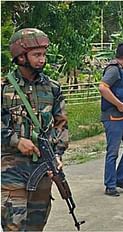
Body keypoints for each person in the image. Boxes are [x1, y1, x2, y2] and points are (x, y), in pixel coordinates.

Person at [1, 28, 68, 230]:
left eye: (43, 54)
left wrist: (57, 154)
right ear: (21, 57)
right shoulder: (4, 88)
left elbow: (61, 124)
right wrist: (16, 141)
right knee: (15, 224)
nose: (42, 60)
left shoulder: (53, 88)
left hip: (42, 169)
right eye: (36, 55)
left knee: (36, 225)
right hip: (12, 168)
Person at [99, 43, 123, 197]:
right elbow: (102, 87)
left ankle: (120, 178)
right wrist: (119, 104)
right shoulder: (113, 69)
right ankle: (110, 185)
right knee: (113, 152)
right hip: (114, 117)